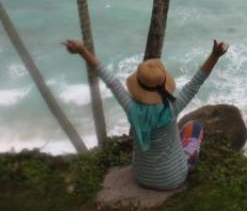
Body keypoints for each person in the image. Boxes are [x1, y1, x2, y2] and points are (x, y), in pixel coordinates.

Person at [63, 39, 229, 191]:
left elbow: (110, 80)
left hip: (142, 177)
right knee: (194, 127)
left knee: (176, 134)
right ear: (164, 84)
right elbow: (196, 82)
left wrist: (82, 51)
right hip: (174, 178)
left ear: (139, 85)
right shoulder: (172, 108)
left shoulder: (131, 108)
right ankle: (186, 158)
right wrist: (215, 55)